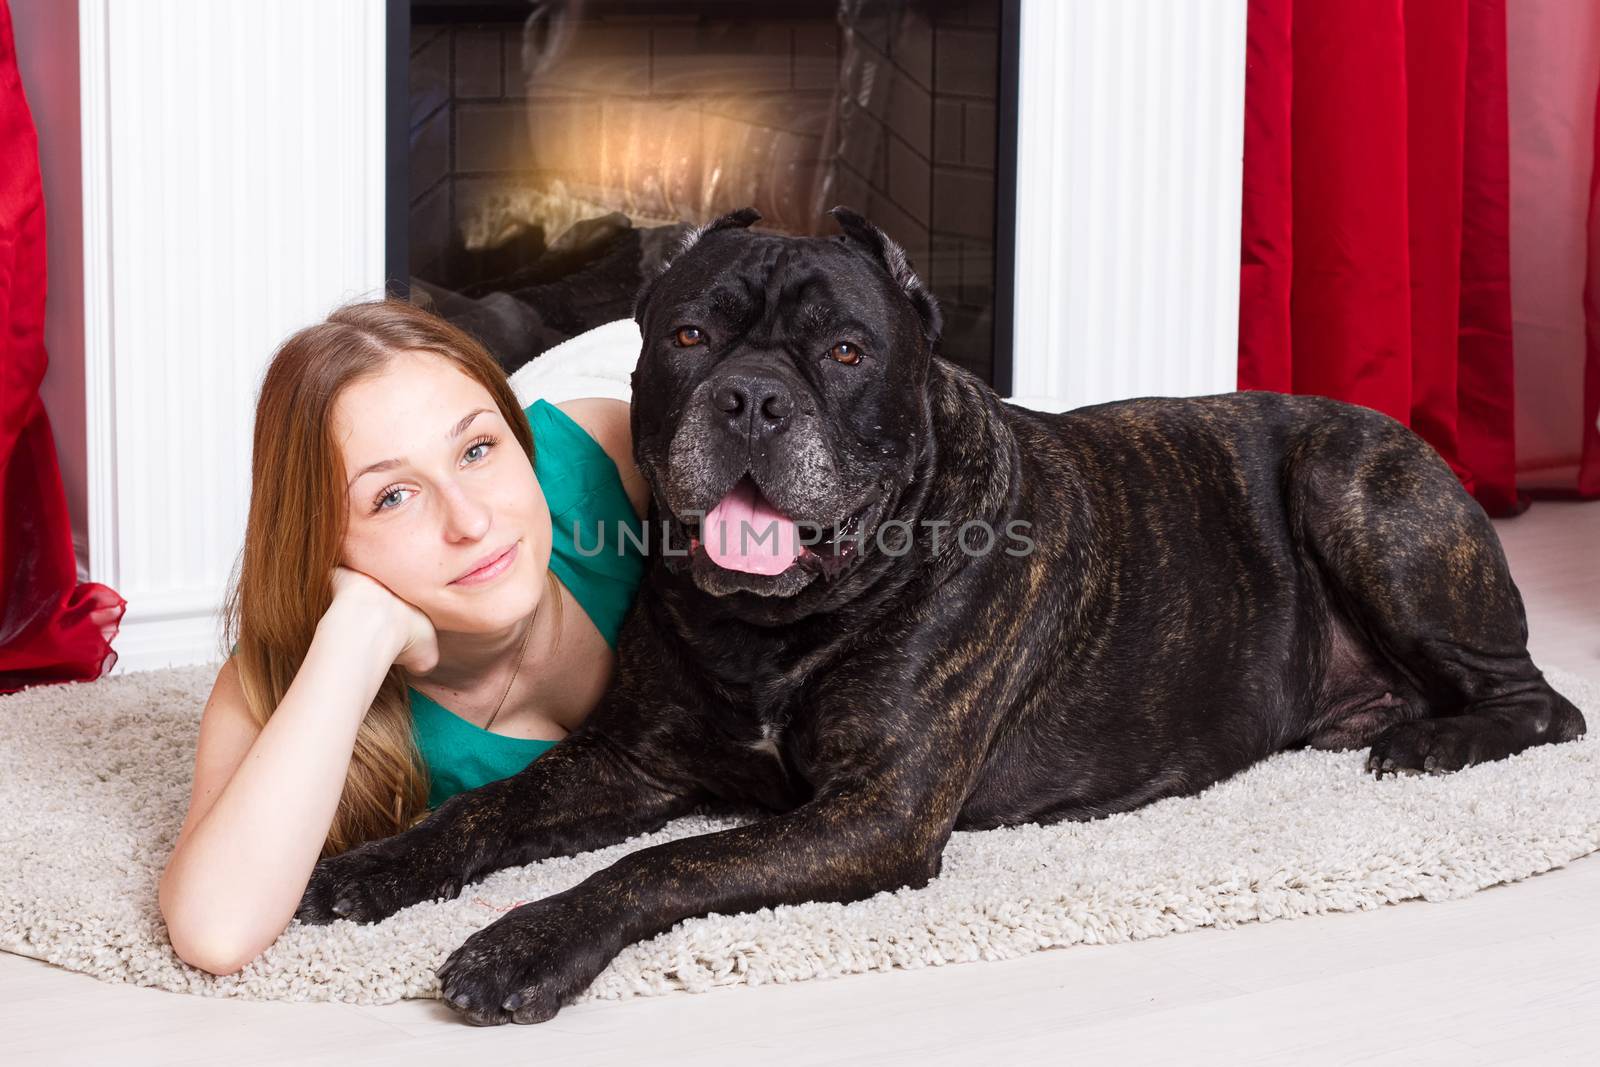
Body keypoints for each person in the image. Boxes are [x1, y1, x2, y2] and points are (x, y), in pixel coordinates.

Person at [158, 299, 649, 975]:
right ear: (324, 540)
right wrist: (356, 637)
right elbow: (215, 929)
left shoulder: (616, 464)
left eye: (478, 449)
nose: (470, 520)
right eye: (393, 496)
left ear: (519, 442)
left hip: (608, 355)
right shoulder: (286, 675)